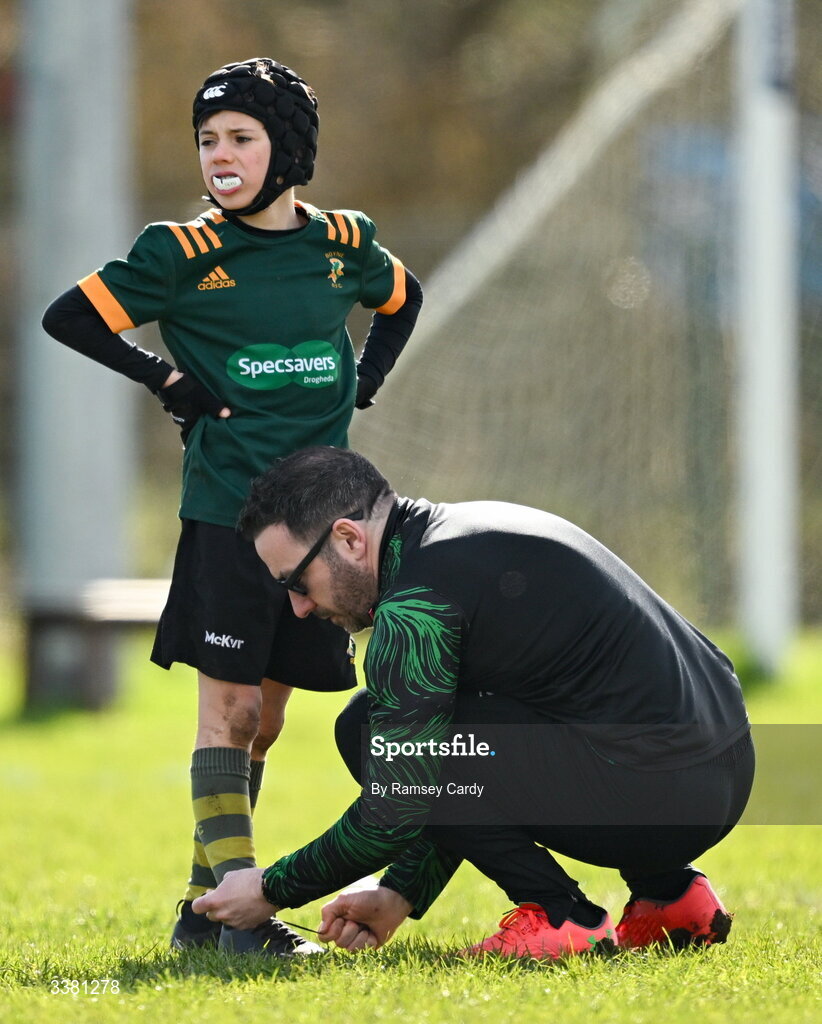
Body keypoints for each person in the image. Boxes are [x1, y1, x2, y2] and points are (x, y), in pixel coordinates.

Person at [41, 59, 422, 956]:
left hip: (326, 528)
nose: (221, 155)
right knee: (233, 715)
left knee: (275, 720)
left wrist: (365, 382)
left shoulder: (344, 239)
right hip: (228, 519)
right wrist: (167, 380)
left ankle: (200, 910)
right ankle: (239, 922)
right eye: (209, 140)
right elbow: (71, 316)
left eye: (241, 138)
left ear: (285, 149)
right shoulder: (178, 253)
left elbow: (401, 302)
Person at [192, 446, 755, 960]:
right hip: (725, 770)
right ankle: (670, 899)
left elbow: (396, 810)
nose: (298, 608)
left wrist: (269, 889)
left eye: (297, 581)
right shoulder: (472, 529)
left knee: (364, 728)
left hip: (655, 792)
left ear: (348, 539)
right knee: (480, 725)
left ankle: (560, 916)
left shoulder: (415, 605)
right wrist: (398, 893)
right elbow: (463, 761)